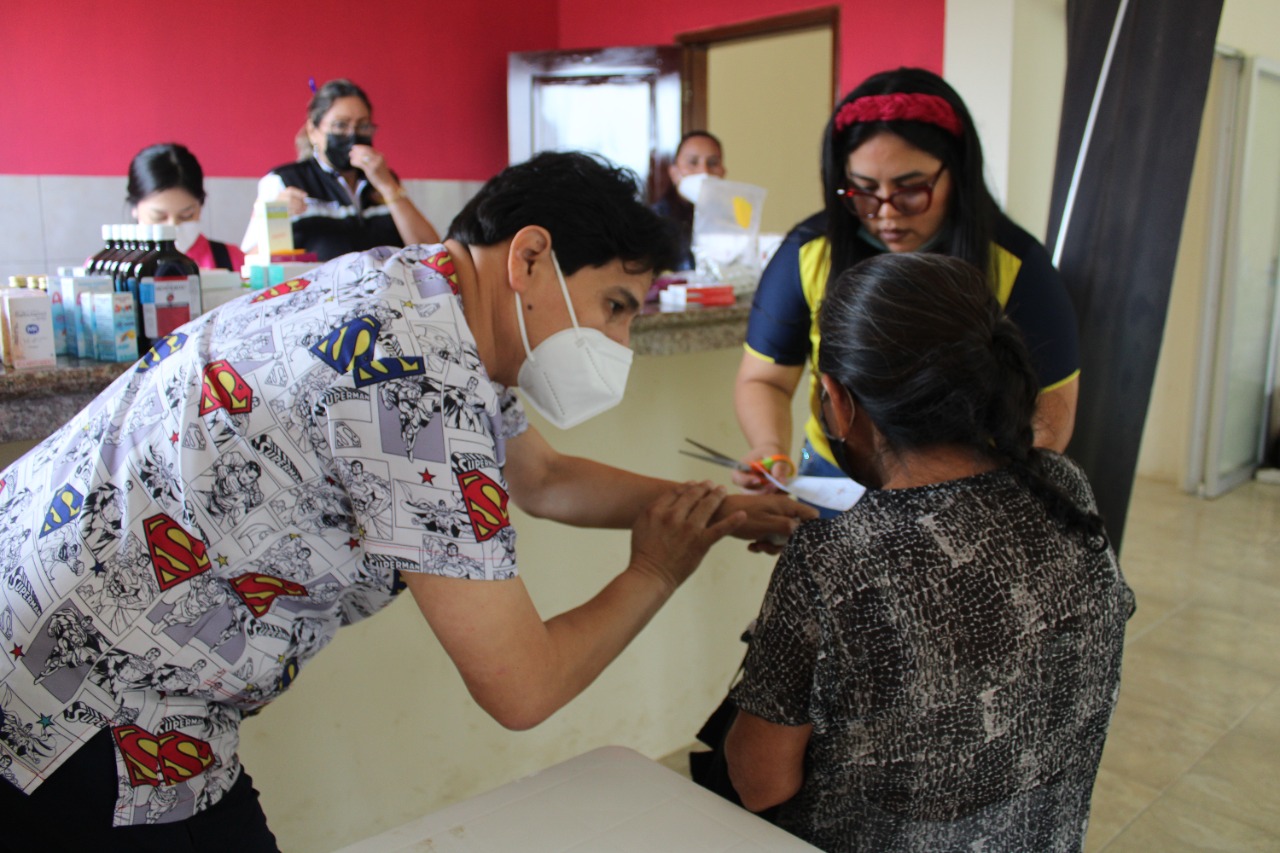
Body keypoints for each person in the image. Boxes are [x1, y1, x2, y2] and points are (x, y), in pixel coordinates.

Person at [0, 151, 813, 848]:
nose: (618, 342)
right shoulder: (417, 378)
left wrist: (722, 509)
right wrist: (657, 569)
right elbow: (523, 686)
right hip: (82, 695)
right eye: (614, 306)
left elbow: (544, 479)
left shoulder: (415, 295)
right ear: (530, 258)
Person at [720, 253, 1134, 852]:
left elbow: (758, 782)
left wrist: (789, 622)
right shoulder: (1063, 485)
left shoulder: (831, 558)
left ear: (838, 400)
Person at [734, 68, 1080, 510]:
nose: (886, 214)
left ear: (956, 173)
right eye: (863, 191)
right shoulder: (809, 254)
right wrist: (769, 446)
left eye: (910, 190)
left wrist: (996, 497)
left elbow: (1052, 410)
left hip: (976, 489)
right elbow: (764, 379)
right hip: (836, 480)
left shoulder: (1016, 265)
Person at [244, 78, 440, 261]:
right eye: (340, 125)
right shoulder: (283, 181)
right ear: (313, 131)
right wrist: (277, 218)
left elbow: (431, 254)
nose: (352, 135)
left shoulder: (383, 180)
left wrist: (388, 186)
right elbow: (250, 264)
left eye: (363, 126)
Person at [127, 143, 246, 272]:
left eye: (186, 216)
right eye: (159, 217)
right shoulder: (123, 266)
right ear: (135, 208)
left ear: (200, 205)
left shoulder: (232, 260)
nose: (173, 226)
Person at [651, 131, 726, 271]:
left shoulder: (730, 219)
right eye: (693, 162)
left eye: (712, 163)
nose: (704, 171)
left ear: (723, 172)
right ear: (674, 172)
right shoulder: (655, 221)